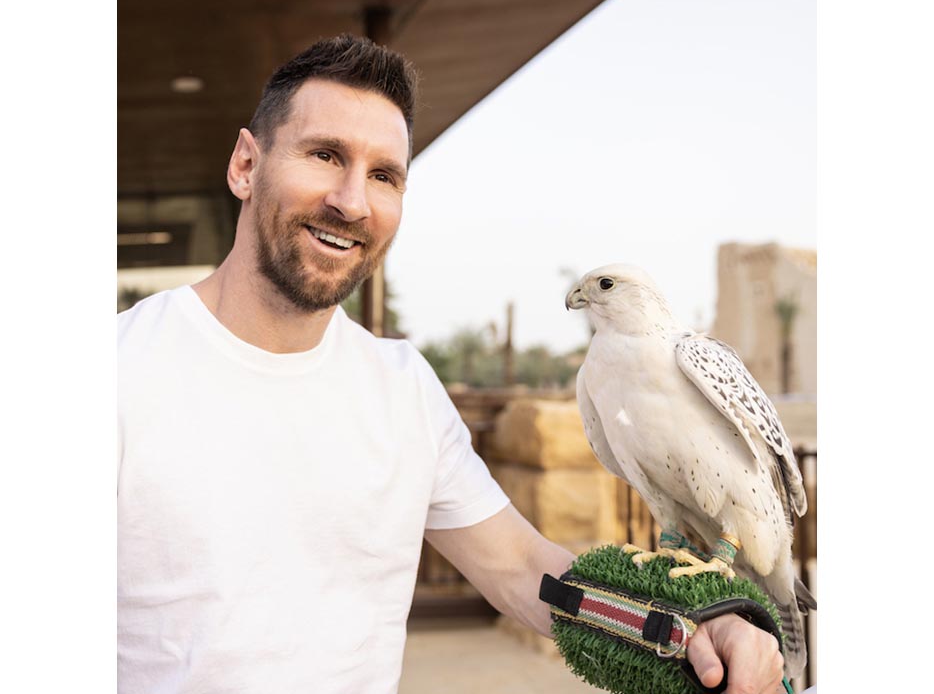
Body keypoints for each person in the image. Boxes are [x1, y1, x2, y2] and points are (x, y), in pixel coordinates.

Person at [118, 34, 785, 693]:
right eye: (325, 155)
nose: (352, 202)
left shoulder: (402, 388)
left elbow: (526, 573)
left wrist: (694, 628)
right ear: (244, 166)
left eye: (384, 176)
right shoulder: (115, 370)